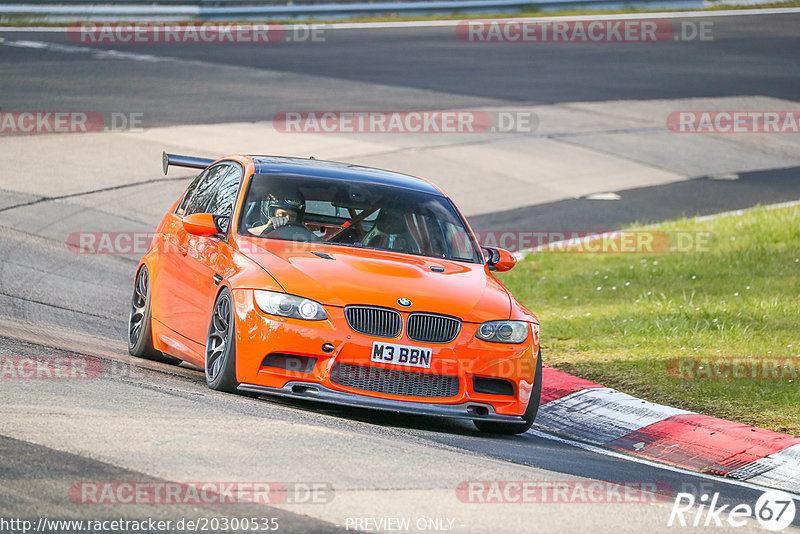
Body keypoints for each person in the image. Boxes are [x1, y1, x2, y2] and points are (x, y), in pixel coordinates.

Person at [249, 190, 319, 241]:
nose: (288, 219)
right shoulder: (251, 229)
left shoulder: (301, 236)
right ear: (270, 212)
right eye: (282, 214)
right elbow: (241, 236)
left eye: (292, 216)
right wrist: (267, 227)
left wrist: (303, 231)